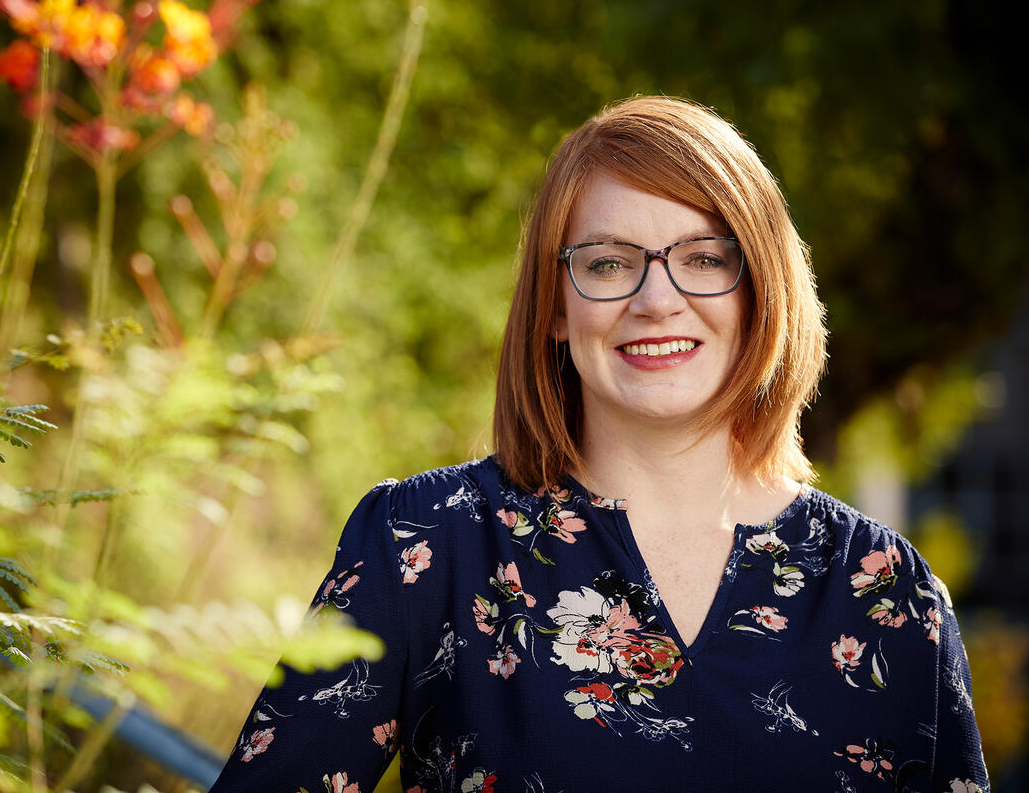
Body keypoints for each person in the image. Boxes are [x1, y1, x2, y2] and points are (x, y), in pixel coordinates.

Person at [209, 97, 989, 792]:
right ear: (556, 308)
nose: (657, 300)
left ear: (762, 292)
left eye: (704, 258)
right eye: (609, 263)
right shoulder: (426, 544)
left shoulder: (890, 597)